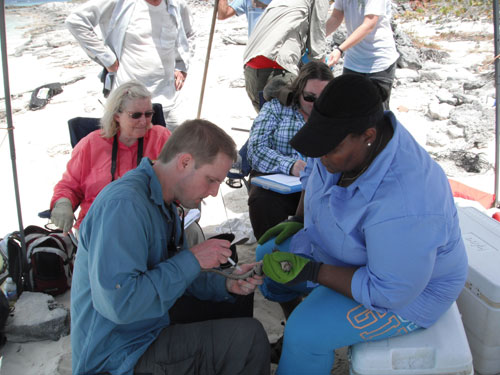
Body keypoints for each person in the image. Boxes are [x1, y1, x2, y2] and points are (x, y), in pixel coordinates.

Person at [256, 74, 468, 374]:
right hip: (349, 252)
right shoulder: (344, 142)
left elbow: (389, 291)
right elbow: (314, 178)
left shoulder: (407, 202)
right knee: (268, 257)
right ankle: (298, 324)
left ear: (368, 135)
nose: (321, 155)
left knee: (306, 333)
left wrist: (314, 271)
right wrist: (299, 221)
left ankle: (303, 343)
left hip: (410, 291)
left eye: (329, 149)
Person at [71, 119, 270, 375]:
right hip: (119, 356)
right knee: (250, 339)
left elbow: (173, 274)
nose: (213, 192)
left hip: (148, 330)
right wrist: (193, 259)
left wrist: (226, 283)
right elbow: (120, 305)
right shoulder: (124, 206)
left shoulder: (164, 201)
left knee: (236, 304)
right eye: (211, 180)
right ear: (185, 162)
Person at [50, 81, 171, 235]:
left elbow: (181, 177)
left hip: (150, 222)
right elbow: (69, 186)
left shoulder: (161, 138)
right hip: (98, 224)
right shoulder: (91, 144)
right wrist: (63, 204)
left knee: (191, 232)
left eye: (148, 114)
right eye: (135, 115)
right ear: (116, 116)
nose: (144, 121)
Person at [65, 0, 194, 129]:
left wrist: (181, 67)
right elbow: (76, 21)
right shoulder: (118, 3)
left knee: (175, 145)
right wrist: (107, 59)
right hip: (130, 104)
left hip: (169, 98)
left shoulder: (177, 5)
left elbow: (189, 34)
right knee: (134, 148)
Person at [247, 61, 333, 240]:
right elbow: (255, 149)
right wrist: (290, 165)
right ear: (299, 91)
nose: (316, 104)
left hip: (321, 184)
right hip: (279, 183)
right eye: (310, 97)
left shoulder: (334, 115)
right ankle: (271, 253)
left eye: (323, 98)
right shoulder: (277, 109)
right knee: (262, 201)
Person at [242, 0, 329, 112]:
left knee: (267, 123)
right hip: (277, 65)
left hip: (251, 67)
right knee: (290, 124)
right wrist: (323, 76)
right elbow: (317, 37)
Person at [325, 0, 399, 109]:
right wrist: (315, 38)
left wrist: (340, 50)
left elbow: (368, 25)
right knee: (349, 110)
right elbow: (336, 17)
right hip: (353, 63)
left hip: (379, 62)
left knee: (376, 114)